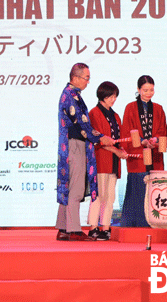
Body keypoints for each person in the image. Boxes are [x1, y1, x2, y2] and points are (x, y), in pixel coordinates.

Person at [56, 63, 114, 242]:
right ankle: (73, 230)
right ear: (75, 78)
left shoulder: (72, 94)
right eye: (86, 78)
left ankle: (63, 228)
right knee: (76, 188)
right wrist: (102, 137)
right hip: (75, 144)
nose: (88, 82)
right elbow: (83, 125)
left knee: (68, 186)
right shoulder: (71, 96)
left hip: (71, 144)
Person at [120, 75, 167, 228]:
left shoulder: (159, 108)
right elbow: (127, 130)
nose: (148, 93)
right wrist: (141, 141)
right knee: (137, 190)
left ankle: (155, 223)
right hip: (138, 156)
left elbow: (162, 131)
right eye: (145, 90)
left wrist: (155, 140)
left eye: (151, 90)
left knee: (156, 190)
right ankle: (133, 225)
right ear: (138, 90)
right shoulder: (130, 107)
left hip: (155, 155)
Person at [86, 81, 127, 241]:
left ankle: (105, 227)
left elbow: (118, 139)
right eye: (110, 96)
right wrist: (117, 150)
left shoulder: (115, 115)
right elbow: (98, 140)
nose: (113, 99)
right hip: (100, 159)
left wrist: (121, 150)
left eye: (115, 96)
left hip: (113, 161)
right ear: (102, 95)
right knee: (99, 195)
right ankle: (93, 227)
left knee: (110, 196)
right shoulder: (94, 113)